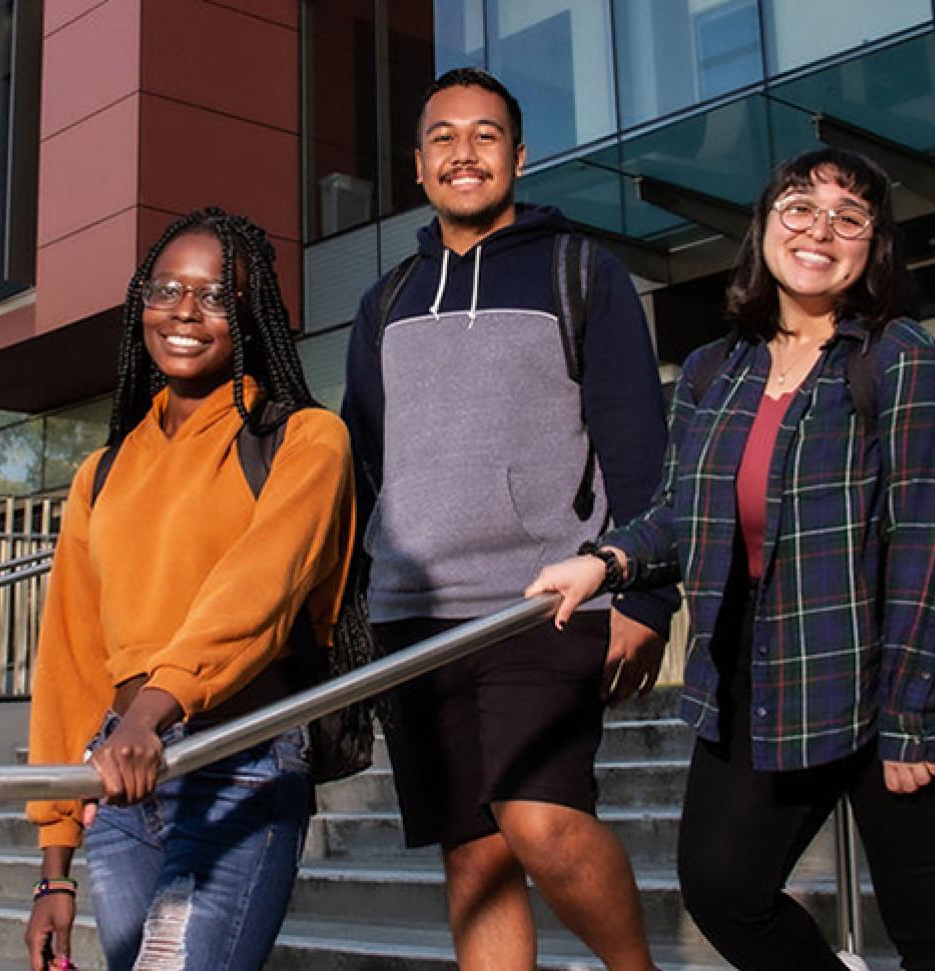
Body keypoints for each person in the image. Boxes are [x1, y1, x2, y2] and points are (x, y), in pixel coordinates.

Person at [528, 147, 935, 971]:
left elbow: (931, 556)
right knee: (722, 884)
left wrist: (909, 721)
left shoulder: (903, 360)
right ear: (764, 229)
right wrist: (606, 562)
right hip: (776, 662)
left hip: (914, 665)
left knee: (930, 922)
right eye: (799, 207)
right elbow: (682, 513)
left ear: (873, 247)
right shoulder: (719, 371)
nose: (819, 229)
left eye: (848, 217)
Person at [341, 68, 678, 970]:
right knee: (475, 854)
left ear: (519, 157)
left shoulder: (581, 272)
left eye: (485, 135)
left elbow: (637, 444)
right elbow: (363, 465)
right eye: (444, 136)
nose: (464, 152)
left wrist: (646, 601)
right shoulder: (386, 302)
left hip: (543, 599)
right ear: (418, 165)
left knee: (543, 823)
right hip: (413, 614)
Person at [23, 208, 355, 971]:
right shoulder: (101, 473)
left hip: (241, 759)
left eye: (213, 296)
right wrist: (53, 864)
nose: (183, 311)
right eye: (166, 288)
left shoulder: (305, 439)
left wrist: (150, 711)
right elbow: (71, 659)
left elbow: (257, 594)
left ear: (249, 314)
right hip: (121, 783)